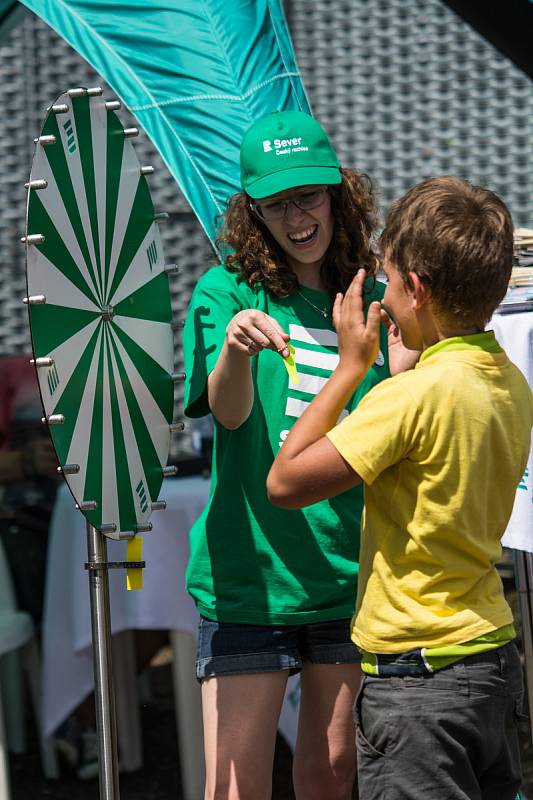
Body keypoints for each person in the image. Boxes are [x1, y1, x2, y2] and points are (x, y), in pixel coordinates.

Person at [267, 176, 533, 799]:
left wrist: (351, 368)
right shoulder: (508, 380)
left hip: (419, 681)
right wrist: (402, 373)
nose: (381, 293)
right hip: (491, 657)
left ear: (416, 289)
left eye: (387, 278)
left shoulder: (409, 398)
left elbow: (286, 480)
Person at [183, 110, 402, 799]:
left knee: (332, 772)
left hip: (344, 571)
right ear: (254, 212)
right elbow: (229, 412)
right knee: (233, 788)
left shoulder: (374, 296)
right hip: (249, 575)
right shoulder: (227, 290)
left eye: (308, 195)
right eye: (276, 203)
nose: (297, 216)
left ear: (338, 194)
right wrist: (234, 351)